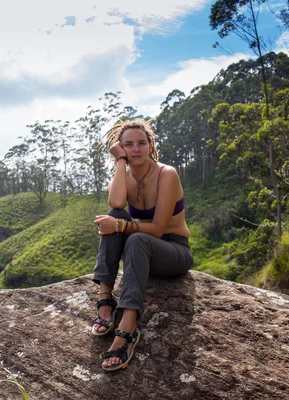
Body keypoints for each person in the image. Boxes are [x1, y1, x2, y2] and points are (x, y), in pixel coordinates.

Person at [91, 119, 193, 372]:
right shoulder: (125, 173)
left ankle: (128, 325)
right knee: (115, 215)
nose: (136, 149)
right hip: (142, 252)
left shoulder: (166, 173)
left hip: (174, 251)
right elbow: (116, 202)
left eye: (141, 143)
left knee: (129, 232)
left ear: (151, 145)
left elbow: (158, 228)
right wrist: (119, 163)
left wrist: (121, 228)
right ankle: (105, 299)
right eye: (128, 145)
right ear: (121, 149)